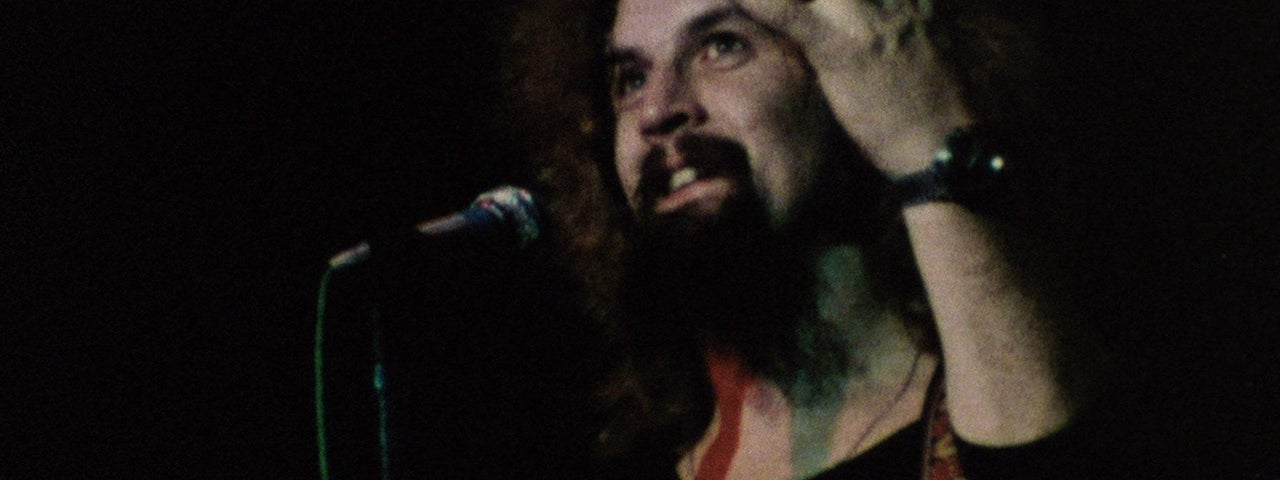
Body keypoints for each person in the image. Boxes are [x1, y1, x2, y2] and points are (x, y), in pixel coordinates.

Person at [504, 0, 1104, 478]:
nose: (657, 110)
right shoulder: (617, 460)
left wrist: (929, 143)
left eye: (722, 46)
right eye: (631, 77)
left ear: (853, 75)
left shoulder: (1021, 382)